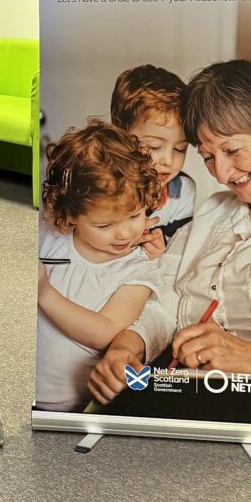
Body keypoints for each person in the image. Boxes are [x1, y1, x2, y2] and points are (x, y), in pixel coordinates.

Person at [88, 59, 251, 404]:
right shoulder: (212, 211)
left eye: (232, 150)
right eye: (208, 157)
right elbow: (168, 298)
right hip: (185, 395)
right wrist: (127, 345)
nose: (220, 175)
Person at [35, 120, 166, 412]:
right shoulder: (50, 238)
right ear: (69, 217)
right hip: (22, 396)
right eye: (105, 224)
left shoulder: (139, 270)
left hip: (72, 408)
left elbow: (105, 331)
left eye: (134, 216)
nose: (123, 233)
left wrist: (44, 293)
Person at [110, 64, 195, 245]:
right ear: (121, 135)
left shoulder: (182, 191)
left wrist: (161, 245)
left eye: (180, 149)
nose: (168, 161)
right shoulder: (99, 184)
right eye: (154, 146)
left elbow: (177, 248)